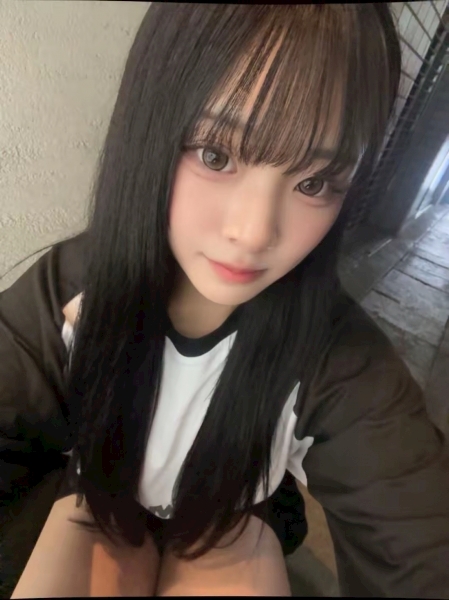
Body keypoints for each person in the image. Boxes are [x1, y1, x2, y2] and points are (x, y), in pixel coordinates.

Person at [1, 3, 449, 597]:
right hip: (96, 498)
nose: (255, 232)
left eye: (314, 182)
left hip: (232, 520)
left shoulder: (338, 359)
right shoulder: (73, 287)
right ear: (149, 128)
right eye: (217, 155)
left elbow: (417, 537)